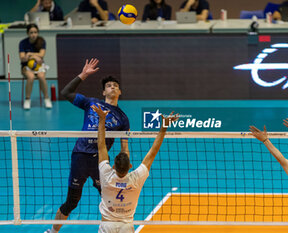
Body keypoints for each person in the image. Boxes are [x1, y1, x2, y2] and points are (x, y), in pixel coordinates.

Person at [44, 58, 130, 233]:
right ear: (103, 91)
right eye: (109, 85)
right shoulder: (91, 103)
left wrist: (123, 165)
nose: (112, 87)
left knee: (111, 201)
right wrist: (83, 75)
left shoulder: (123, 118)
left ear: (119, 91)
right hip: (80, 156)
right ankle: (52, 231)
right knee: (72, 201)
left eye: (115, 85)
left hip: (101, 163)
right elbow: (66, 93)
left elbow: (124, 147)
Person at [92, 104, 178, 233]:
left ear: (113, 166)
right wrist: (163, 128)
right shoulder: (136, 178)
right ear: (130, 166)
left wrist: (102, 119)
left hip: (107, 226)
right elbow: (152, 152)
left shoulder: (106, 174)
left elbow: (101, 146)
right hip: (126, 227)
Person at [19, 23, 52, 110]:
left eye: (35, 32)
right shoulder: (23, 43)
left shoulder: (41, 41)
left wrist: (30, 54)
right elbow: (22, 59)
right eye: (31, 32)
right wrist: (34, 56)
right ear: (27, 33)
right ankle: (27, 99)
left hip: (39, 66)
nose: (33, 34)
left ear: (37, 33)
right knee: (31, 77)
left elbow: (42, 55)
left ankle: (46, 98)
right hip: (26, 67)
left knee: (41, 76)